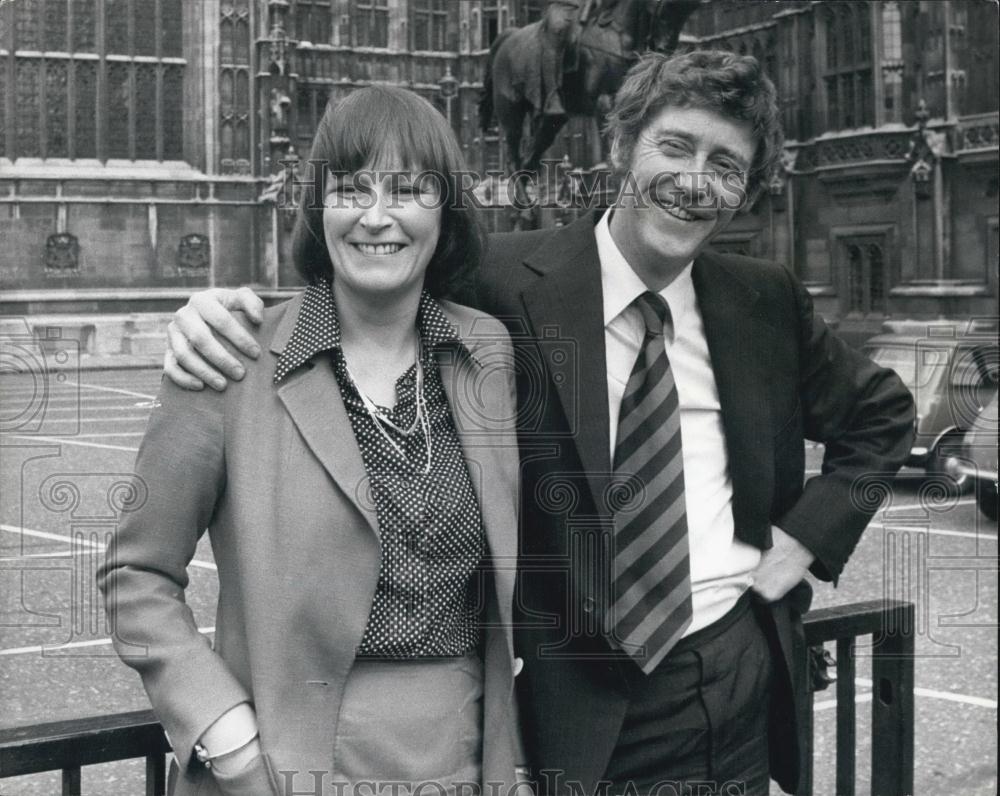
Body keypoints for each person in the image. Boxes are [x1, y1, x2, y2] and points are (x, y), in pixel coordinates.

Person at [161, 52, 915, 796]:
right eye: (675, 147)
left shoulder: (765, 300)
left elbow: (884, 414)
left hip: (734, 672)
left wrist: (807, 540)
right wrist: (225, 313)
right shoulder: (499, 282)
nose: (694, 181)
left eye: (725, 164)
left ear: (746, 189)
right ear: (620, 148)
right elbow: (375, 268)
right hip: (573, 707)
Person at [99, 85, 526, 796]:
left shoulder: (486, 351)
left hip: (462, 757)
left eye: (409, 190)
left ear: (446, 212)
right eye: (351, 188)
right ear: (317, 208)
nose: (377, 215)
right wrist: (227, 739)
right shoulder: (232, 354)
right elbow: (135, 574)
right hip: (279, 764)